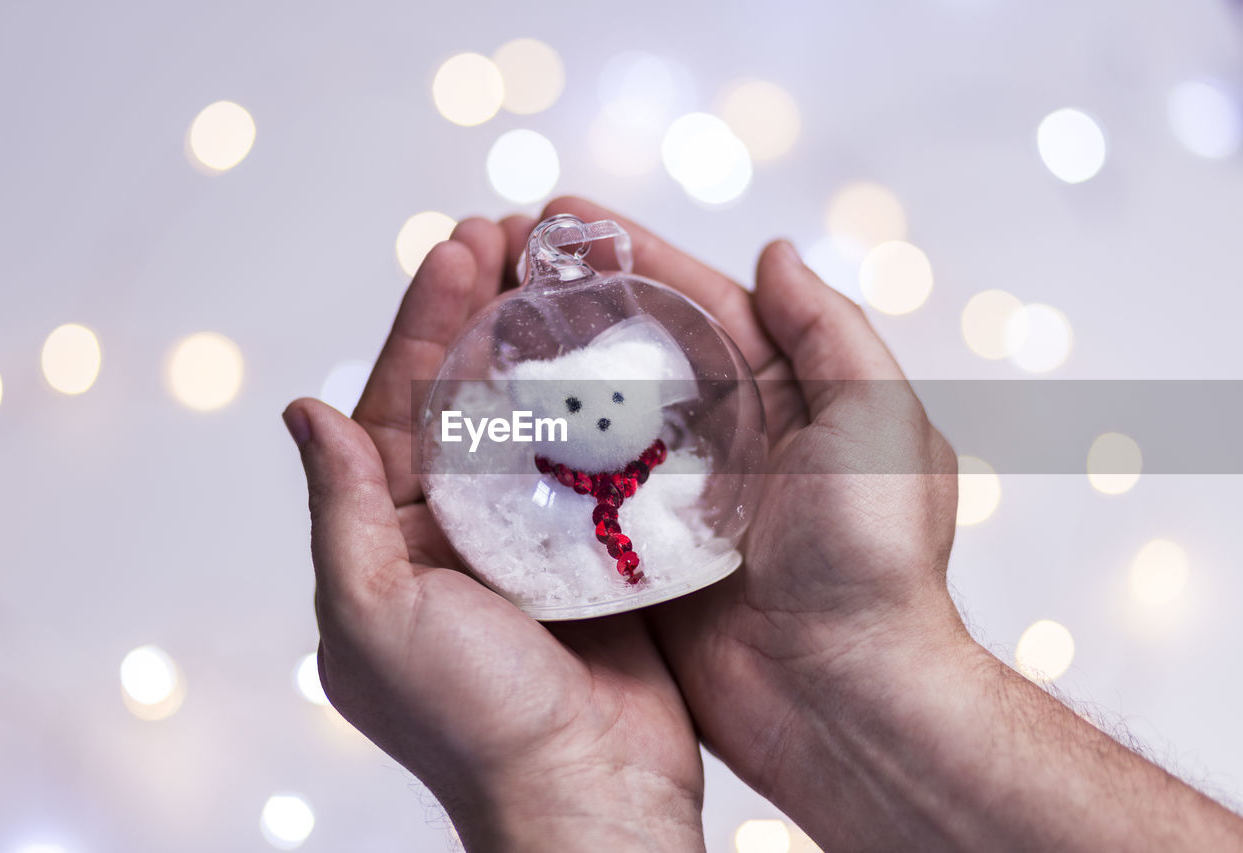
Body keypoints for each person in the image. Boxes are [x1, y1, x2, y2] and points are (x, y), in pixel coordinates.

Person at [281, 197, 1243, 852]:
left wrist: (867, 657)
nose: (596, 420)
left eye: (618, 398)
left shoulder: (670, 468)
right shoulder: (516, 471)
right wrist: (568, 792)